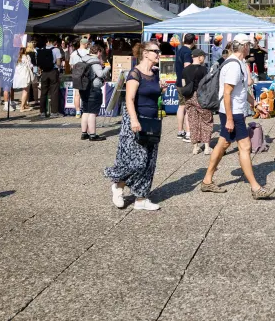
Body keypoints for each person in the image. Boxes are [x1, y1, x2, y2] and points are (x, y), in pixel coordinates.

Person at [201, 33, 275, 199]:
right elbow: (227, 93)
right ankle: (256, 188)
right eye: (248, 45)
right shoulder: (234, 65)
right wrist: (229, 119)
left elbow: (241, 91)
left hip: (234, 111)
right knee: (245, 146)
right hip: (232, 112)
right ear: (243, 46)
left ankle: (207, 180)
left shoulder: (240, 63)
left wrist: (255, 104)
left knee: (223, 144)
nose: (250, 47)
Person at [105, 41, 167, 211]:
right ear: (145, 53)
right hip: (136, 119)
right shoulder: (135, 74)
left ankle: (141, 198)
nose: (158, 54)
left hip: (152, 120)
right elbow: (129, 99)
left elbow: (152, 94)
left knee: (149, 161)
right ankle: (118, 185)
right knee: (136, 161)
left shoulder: (155, 73)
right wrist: (133, 120)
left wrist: (160, 90)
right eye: (155, 51)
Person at [182, 49, 212, 155]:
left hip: (189, 97)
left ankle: (195, 147)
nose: (204, 58)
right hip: (201, 96)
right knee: (206, 120)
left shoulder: (185, 70)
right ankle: (207, 147)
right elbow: (207, 84)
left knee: (192, 121)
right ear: (199, 57)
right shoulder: (204, 69)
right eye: (203, 56)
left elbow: (183, 84)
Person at [80, 44, 110, 142]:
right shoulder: (95, 62)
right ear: (98, 52)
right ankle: (92, 135)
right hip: (93, 88)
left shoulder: (84, 59)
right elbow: (100, 74)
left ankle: (84, 133)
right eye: (100, 53)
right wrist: (107, 68)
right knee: (92, 113)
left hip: (83, 88)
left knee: (85, 111)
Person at [175, 33, 195, 141]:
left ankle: (180, 130)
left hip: (178, 82)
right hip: (185, 83)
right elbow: (187, 67)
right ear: (193, 41)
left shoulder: (180, 50)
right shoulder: (187, 52)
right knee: (187, 107)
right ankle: (188, 133)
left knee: (181, 106)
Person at [35, 37, 62, 119]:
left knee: (43, 92)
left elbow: (38, 62)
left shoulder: (41, 49)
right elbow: (58, 62)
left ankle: (42, 112)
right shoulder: (56, 50)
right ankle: (54, 112)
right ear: (53, 42)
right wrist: (58, 68)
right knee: (54, 92)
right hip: (53, 71)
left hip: (44, 72)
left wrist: (40, 70)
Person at [69, 37, 91, 117]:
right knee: (87, 93)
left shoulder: (73, 53)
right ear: (85, 44)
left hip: (76, 75)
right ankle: (87, 110)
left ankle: (78, 111)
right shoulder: (89, 52)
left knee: (77, 94)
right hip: (87, 75)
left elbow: (71, 66)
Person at [13, 47, 35, 112]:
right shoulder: (26, 56)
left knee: (25, 90)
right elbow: (30, 65)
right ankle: (22, 107)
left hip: (19, 75)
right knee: (25, 91)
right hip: (25, 75)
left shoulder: (17, 57)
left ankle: (24, 105)